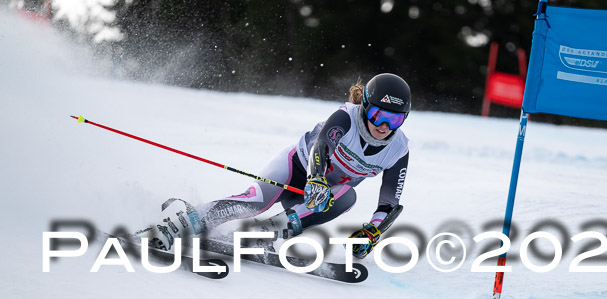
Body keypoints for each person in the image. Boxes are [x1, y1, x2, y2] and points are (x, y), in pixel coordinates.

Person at [139, 73, 411, 259]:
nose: (383, 127)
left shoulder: (398, 150)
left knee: (346, 196)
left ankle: (259, 235)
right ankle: (179, 225)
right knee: (255, 201)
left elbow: (389, 202)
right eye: (378, 115)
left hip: (320, 196)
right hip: (295, 168)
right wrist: (315, 177)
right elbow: (322, 146)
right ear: (364, 106)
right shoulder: (346, 118)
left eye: (394, 121)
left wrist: (374, 231)